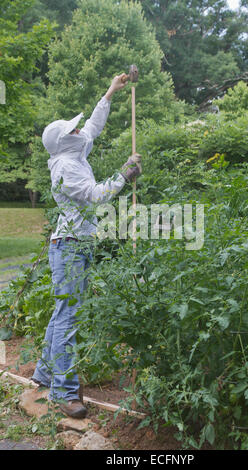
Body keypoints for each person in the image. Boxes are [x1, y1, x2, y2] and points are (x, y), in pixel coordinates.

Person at [31, 74, 142, 419]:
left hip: (75, 244)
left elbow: (93, 125)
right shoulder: (66, 166)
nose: (80, 131)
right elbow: (96, 198)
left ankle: (45, 374)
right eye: (73, 131)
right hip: (70, 247)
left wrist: (110, 90)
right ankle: (63, 392)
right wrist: (125, 174)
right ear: (65, 142)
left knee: (64, 312)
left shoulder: (75, 151)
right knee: (69, 316)